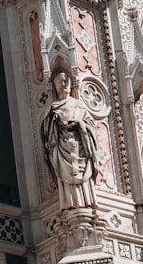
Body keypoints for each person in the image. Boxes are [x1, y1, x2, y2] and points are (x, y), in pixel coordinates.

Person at [42, 71, 103, 211]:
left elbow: (90, 125)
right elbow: (47, 132)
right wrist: (56, 124)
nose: (63, 85)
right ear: (55, 87)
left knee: (83, 174)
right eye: (59, 82)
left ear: (70, 85)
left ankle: (87, 202)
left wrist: (80, 125)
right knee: (65, 175)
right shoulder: (53, 108)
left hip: (80, 145)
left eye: (65, 82)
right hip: (63, 148)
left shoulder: (79, 105)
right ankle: (69, 204)